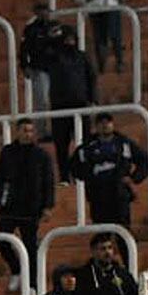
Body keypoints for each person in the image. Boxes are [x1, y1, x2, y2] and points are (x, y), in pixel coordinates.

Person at [0, 119, 56, 292]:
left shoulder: (42, 155)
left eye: (31, 130)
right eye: (24, 130)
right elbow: (0, 177)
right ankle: (16, 270)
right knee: (1, 240)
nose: (28, 133)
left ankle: (32, 284)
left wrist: (48, 206)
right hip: (10, 205)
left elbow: (48, 181)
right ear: (17, 131)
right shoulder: (8, 152)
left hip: (32, 206)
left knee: (30, 246)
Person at [69, 112, 148, 236]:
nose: (105, 125)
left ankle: (128, 255)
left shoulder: (124, 143)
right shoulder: (87, 147)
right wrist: (89, 177)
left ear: (113, 124)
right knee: (102, 234)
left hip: (120, 194)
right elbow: (74, 166)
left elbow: (143, 160)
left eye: (108, 122)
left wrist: (134, 178)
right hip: (98, 196)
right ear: (96, 126)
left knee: (124, 233)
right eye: (101, 123)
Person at [46, 26, 98, 185]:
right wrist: (51, 35)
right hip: (59, 107)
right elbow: (42, 52)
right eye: (66, 39)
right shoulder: (53, 57)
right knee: (61, 143)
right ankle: (64, 176)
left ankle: (84, 173)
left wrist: (94, 99)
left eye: (72, 39)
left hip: (80, 104)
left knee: (84, 142)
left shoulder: (82, 57)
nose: (69, 42)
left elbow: (92, 78)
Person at [20, 2, 59, 138]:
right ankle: (42, 133)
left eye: (46, 10)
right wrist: (25, 66)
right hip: (39, 68)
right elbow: (24, 49)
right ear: (36, 12)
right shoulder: (30, 29)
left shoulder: (55, 26)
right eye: (41, 10)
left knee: (59, 100)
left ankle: (61, 130)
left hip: (57, 68)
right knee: (41, 101)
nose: (44, 13)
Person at [74, 0, 128, 74]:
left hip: (104, 2)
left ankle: (112, 62)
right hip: (101, 3)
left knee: (107, 36)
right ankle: (111, 63)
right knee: (106, 36)